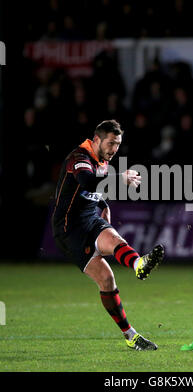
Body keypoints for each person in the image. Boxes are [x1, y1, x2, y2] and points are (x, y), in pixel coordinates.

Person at [51, 119, 164, 350]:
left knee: (114, 246)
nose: (114, 149)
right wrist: (121, 179)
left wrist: (104, 204)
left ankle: (139, 266)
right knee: (106, 279)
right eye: (111, 143)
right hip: (68, 229)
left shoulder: (103, 162)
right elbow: (86, 181)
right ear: (96, 140)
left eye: (118, 144)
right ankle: (130, 333)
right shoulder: (79, 158)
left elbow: (94, 190)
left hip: (90, 220)